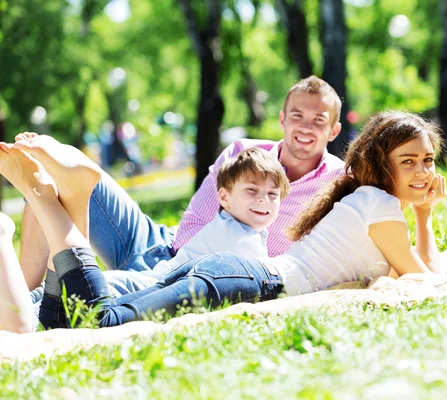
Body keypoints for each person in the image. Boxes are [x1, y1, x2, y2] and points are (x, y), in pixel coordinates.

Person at [17, 109, 447, 329]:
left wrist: (424, 215)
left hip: (227, 271)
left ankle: (53, 219)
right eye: (408, 161)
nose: (424, 172)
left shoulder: (370, 203)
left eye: (428, 160)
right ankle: (56, 198)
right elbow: (423, 278)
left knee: (66, 320)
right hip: (245, 279)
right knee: (103, 321)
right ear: (381, 162)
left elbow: (408, 268)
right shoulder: (378, 203)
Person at [18, 75, 346, 299]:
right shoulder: (243, 152)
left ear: (334, 130)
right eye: (297, 115)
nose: (306, 127)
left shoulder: (338, 182)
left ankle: (20, 308)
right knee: (50, 183)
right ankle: (14, 300)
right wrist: (159, 274)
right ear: (282, 118)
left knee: (100, 289)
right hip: (163, 248)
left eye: (319, 120)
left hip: (193, 274)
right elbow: (193, 223)